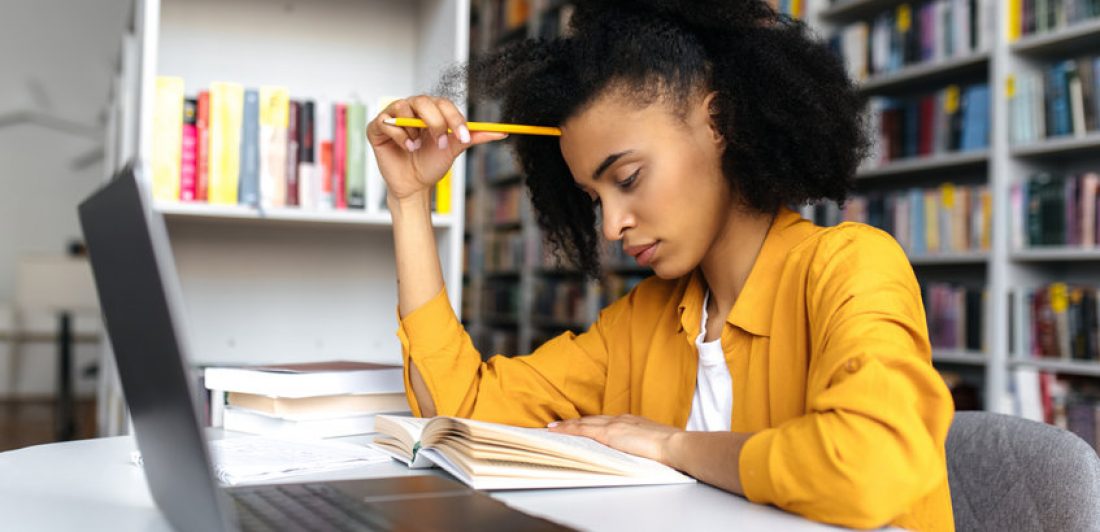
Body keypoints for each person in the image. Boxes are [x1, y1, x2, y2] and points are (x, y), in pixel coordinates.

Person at [365, 0, 955, 529]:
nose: (611, 225)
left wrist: (675, 447)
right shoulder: (641, 322)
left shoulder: (850, 267)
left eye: (628, 178)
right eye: (596, 198)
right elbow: (458, 410)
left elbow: (867, 465)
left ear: (719, 123)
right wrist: (410, 199)